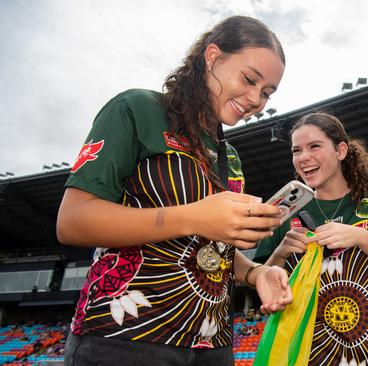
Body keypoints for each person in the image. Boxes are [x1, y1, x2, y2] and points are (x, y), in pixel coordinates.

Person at [57, 16, 292, 365]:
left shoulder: (230, 156)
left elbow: (212, 249)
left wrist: (256, 273)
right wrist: (193, 217)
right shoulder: (137, 109)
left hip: (212, 344)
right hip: (127, 337)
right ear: (212, 57)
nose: (256, 99)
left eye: (267, 92)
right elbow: (72, 221)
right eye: (249, 79)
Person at [254, 112, 368, 365]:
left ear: (340, 150)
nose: (303, 157)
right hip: (307, 350)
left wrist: (361, 237)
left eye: (314, 146)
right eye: (296, 151)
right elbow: (262, 279)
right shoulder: (287, 210)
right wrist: (281, 252)